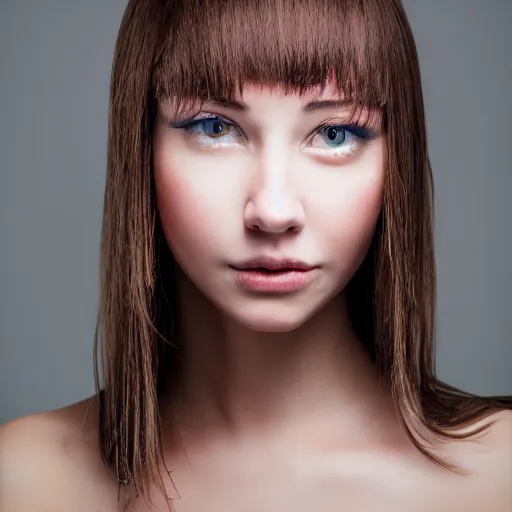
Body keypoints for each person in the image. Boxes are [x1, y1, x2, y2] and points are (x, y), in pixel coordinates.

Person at [1, 0, 511, 511]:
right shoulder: (29, 481)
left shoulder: (498, 476)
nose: (273, 210)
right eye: (214, 128)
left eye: (335, 134)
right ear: (143, 146)